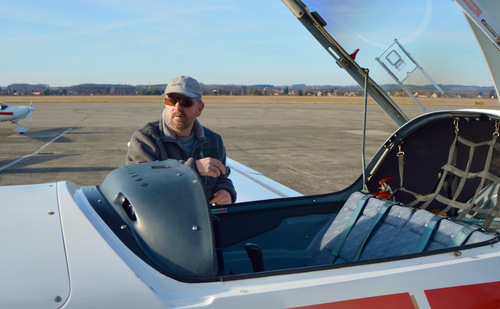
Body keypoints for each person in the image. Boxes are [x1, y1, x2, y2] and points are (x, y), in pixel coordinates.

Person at [126, 75, 236, 205]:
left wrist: (226, 192)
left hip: (202, 220)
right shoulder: (145, 138)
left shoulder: (213, 141)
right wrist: (193, 168)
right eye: (171, 101)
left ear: (199, 109)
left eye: (186, 102)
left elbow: (221, 178)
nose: (177, 107)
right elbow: (141, 180)